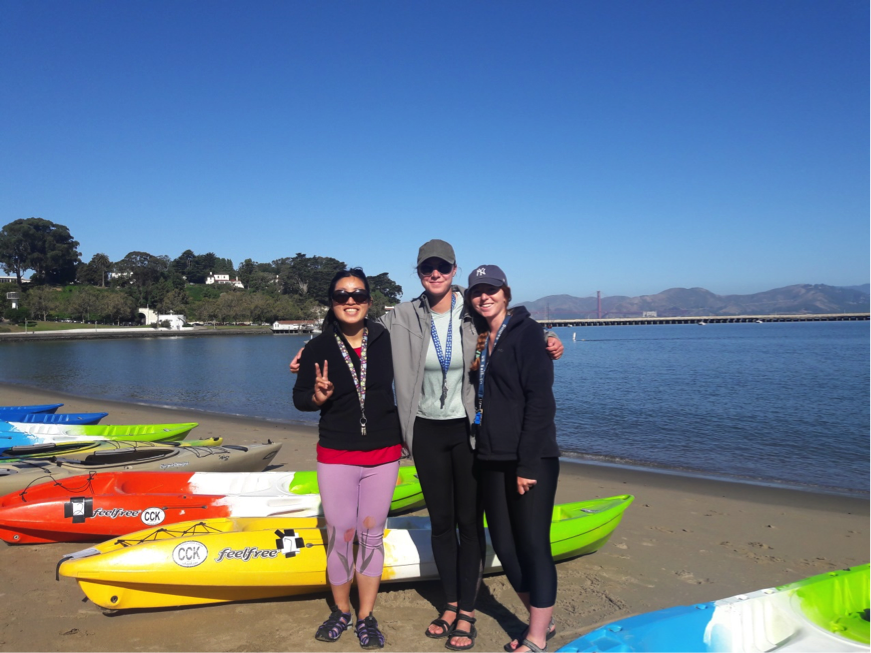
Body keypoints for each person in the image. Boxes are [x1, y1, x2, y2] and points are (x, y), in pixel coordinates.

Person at [290, 242, 562, 651]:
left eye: (443, 267)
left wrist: (548, 340)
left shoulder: (473, 310)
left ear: (454, 270)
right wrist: (311, 350)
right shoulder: (401, 316)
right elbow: (353, 326)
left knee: (469, 526)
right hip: (425, 430)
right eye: (427, 268)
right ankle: (450, 605)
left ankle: (467, 613)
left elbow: (508, 329)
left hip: (470, 431)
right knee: (440, 523)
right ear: (418, 272)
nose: (435, 273)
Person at [292, 268, 403, 650]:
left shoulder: (390, 339)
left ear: (369, 301)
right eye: (342, 295)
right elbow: (300, 397)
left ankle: (365, 616)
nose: (350, 300)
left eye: (357, 294)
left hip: (384, 453)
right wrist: (317, 398)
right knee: (342, 535)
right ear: (332, 303)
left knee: (371, 537)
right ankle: (340, 610)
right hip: (336, 454)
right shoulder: (319, 347)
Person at [465, 264, 560, 653]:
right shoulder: (479, 336)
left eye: (491, 290)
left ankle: (536, 636)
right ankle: (544, 620)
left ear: (506, 292)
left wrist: (527, 465)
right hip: (489, 455)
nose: (484, 296)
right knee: (503, 544)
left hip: (529, 458)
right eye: (477, 291)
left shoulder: (528, 333)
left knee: (533, 545)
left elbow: (540, 403)